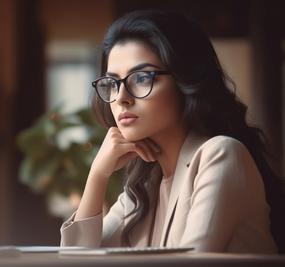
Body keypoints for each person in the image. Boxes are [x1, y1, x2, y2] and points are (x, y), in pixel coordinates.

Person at [60, 10, 285, 253]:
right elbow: (75, 259)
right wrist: (97, 175)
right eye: (113, 83)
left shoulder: (220, 155)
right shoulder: (143, 188)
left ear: (184, 80)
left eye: (142, 78)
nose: (121, 98)